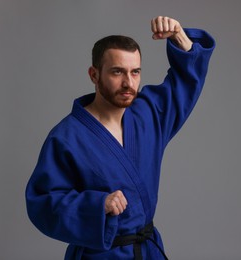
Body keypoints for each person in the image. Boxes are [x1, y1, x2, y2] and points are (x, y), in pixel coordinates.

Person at [25, 16, 215, 259]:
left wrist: (178, 35)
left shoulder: (148, 116)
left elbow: (184, 83)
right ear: (94, 75)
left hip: (147, 251)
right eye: (117, 72)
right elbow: (41, 203)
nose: (128, 83)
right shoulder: (66, 137)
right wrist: (97, 205)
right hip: (100, 254)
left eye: (135, 72)